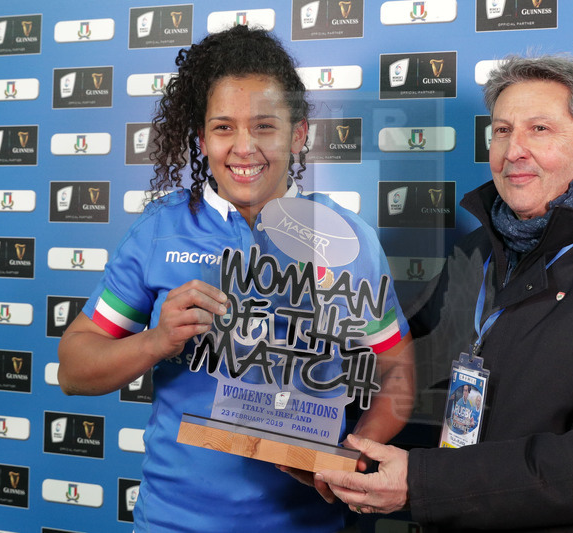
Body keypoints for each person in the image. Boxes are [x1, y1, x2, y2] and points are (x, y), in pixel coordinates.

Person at [316, 55, 573, 531]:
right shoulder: (476, 249)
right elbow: (404, 361)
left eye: (540, 129)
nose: (514, 150)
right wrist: (317, 434)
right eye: (502, 131)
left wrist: (425, 484)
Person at [57, 25, 413, 532]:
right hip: (175, 522)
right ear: (202, 139)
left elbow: (396, 372)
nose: (243, 147)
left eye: (264, 126)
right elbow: (73, 369)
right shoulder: (161, 230)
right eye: (224, 128)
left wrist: (352, 455)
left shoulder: (346, 239)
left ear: (299, 133)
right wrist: (156, 341)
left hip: (309, 524)